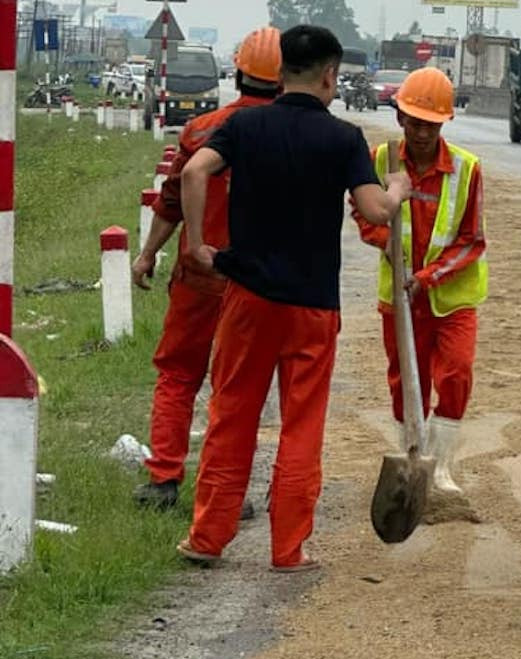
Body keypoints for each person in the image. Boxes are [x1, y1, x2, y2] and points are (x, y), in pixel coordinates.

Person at [176, 25, 412, 571]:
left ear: (280, 72)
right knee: (301, 426)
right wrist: (397, 188)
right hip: (311, 306)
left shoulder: (245, 126)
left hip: (247, 298)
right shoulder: (343, 139)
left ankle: (207, 538)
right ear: (330, 74)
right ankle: (289, 549)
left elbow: (193, 171)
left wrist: (196, 246)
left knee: (231, 416)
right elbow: (376, 211)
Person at [131, 26, 283, 516]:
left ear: (236, 72)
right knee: (236, 388)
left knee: (178, 374)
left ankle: (163, 479)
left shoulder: (202, 131)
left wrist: (147, 253)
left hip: (198, 279)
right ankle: (225, 490)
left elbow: (171, 201)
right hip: (257, 285)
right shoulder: (290, 137)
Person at [351, 67, 487, 495]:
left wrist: (427, 276)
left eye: (431, 125)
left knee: (456, 374)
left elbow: (472, 240)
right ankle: (410, 458)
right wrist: (385, 243)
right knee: (404, 379)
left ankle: (440, 466)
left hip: (451, 296)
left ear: (444, 123)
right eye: (415, 123)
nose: (423, 133)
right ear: (399, 119)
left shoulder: (467, 168)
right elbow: (362, 212)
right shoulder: (380, 160)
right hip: (399, 296)